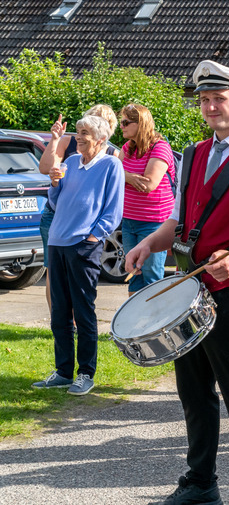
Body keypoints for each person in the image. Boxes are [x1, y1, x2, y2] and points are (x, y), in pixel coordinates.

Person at [125, 61, 229, 505]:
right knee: (194, 392)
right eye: (204, 99)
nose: (211, 106)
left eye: (220, 98)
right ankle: (201, 482)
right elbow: (180, 220)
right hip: (190, 289)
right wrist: (149, 245)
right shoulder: (195, 153)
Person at [33, 114, 124, 396]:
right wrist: (55, 183)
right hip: (57, 242)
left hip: (84, 245)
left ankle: (86, 373)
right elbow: (55, 201)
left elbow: (113, 209)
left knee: (83, 311)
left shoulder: (111, 165)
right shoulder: (70, 162)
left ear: (100, 138)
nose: (79, 137)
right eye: (78, 132)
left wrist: (94, 236)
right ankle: (62, 372)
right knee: (60, 311)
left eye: (84, 133)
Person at [38, 106, 123, 313]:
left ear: (105, 131)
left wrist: (94, 237)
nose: (82, 132)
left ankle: (75, 321)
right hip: (56, 218)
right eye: (86, 122)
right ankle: (58, 319)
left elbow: (113, 200)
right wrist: (55, 139)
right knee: (54, 274)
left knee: (80, 284)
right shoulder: (71, 147)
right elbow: (46, 169)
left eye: (95, 123)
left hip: (85, 231)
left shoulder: (112, 157)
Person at [118, 103, 175, 295]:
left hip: (153, 223)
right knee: (134, 273)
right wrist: (129, 177)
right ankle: (135, 323)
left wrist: (124, 175)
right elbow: (112, 175)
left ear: (140, 123)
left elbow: (148, 184)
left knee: (151, 276)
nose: (121, 126)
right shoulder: (128, 147)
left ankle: (156, 323)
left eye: (126, 122)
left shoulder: (160, 147)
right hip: (129, 221)